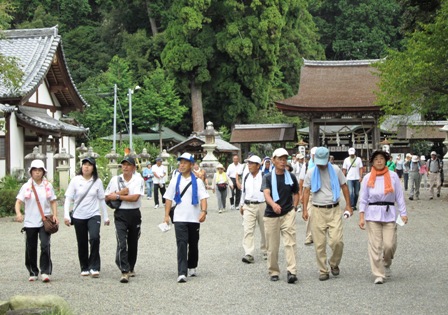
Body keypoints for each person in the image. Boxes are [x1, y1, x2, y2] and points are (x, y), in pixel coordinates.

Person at [302, 147, 352, 281]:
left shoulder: (336, 170)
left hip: (334, 209)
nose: (320, 164)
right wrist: (305, 209)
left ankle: (334, 263)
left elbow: (344, 186)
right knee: (319, 243)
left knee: (337, 241)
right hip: (317, 209)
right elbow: (306, 191)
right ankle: (323, 270)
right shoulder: (311, 172)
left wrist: (348, 205)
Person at [358, 150, 408, 284]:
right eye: (376, 159)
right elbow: (363, 198)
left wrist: (403, 213)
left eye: (381, 159)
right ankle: (378, 274)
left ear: (386, 161)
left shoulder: (393, 176)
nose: (379, 161)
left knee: (389, 244)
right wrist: (361, 216)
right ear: (372, 162)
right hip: (372, 213)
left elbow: (399, 196)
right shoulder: (368, 177)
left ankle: (387, 261)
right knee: (375, 245)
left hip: (389, 212)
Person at [163, 153, 209, 283]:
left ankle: (192, 265)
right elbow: (168, 198)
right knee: (181, 243)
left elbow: (203, 197)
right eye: (180, 162)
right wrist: (166, 215)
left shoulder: (198, 182)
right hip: (179, 217)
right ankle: (182, 272)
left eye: (185, 163)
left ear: (191, 165)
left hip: (194, 217)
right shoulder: (175, 180)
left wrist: (204, 211)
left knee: (193, 244)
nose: (182, 165)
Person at [63, 157, 110, 278]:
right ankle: (84, 266)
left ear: (93, 168)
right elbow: (68, 198)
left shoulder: (97, 181)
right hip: (79, 215)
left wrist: (105, 216)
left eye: (89, 165)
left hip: (94, 214)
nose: (86, 167)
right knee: (82, 241)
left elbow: (101, 199)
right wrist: (66, 215)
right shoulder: (75, 180)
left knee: (94, 238)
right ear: (82, 166)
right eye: (84, 164)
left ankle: (94, 266)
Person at [15, 159, 58, 282]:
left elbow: (53, 201)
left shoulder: (47, 185)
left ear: (43, 172)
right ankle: (33, 271)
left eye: (40, 170)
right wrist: (19, 213)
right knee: (31, 247)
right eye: (35, 170)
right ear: (31, 172)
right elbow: (18, 202)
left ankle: (45, 271)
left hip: (44, 221)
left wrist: (55, 215)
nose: (37, 173)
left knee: (45, 245)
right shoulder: (26, 186)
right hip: (30, 221)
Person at [261, 148, 299, 284]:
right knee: (272, 245)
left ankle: (292, 271)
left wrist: (295, 207)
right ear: (273, 160)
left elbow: (296, 192)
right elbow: (266, 194)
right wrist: (273, 205)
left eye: (285, 159)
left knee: (290, 242)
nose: (283, 162)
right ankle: (274, 270)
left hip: (288, 212)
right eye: (280, 159)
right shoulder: (268, 177)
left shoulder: (291, 177)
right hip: (271, 215)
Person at [105, 156, 145, 283]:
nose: (126, 167)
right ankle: (124, 270)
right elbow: (107, 197)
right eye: (124, 165)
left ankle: (130, 266)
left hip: (134, 213)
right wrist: (121, 193)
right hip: (120, 214)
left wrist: (116, 196)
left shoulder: (138, 180)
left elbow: (135, 198)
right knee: (122, 242)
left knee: (133, 243)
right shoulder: (115, 180)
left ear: (133, 167)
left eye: (128, 165)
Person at [239, 155, 267, 264]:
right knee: (248, 230)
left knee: (265, 230)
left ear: (258, 166)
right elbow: (243, 191)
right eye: (248, 163)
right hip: (248, 205)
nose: (249, 165)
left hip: (262, 205)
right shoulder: (246, 176)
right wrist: (242, 204)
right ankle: (249, 253)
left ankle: (266, 250)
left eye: (251, 163)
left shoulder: (265, 176)